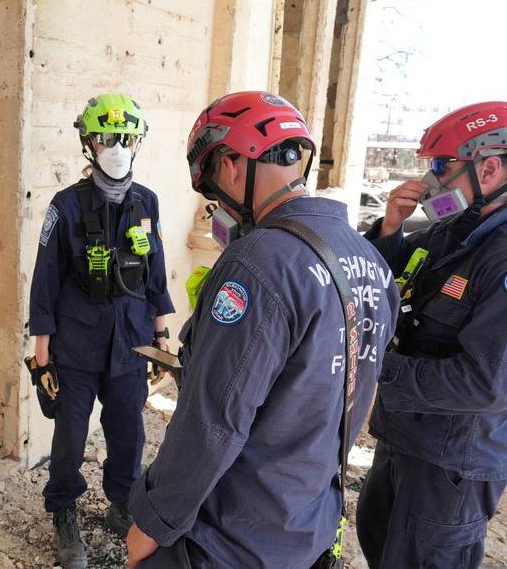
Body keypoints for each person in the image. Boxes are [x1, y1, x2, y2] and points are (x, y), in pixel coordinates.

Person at [126, 91, 399, 568]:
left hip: (230, 537)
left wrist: (152, 522)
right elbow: (357, 394)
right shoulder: (368, 259)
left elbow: (213, 421)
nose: (217, 207)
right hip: (306, 525)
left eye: (212, 189)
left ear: (232, 165)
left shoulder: (257, 264)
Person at [356, 101, 507, 569]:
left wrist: (377, 364)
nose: (429, 183)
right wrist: (389, 228)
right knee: (378, 543)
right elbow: (379, 274)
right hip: (404, 437)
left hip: (452, 467)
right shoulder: (451, 232)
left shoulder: (500, 256)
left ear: (490, 168)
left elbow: (486, 384)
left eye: (442, 167)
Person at [27, 93, 175, 568]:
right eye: (105, 137)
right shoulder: (65, 205)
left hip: (131, 343)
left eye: (125, 138)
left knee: (128, 430)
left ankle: (120, 502)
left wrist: (161, 336)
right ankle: (64, 509)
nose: (116, 147)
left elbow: (155, 270)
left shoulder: (146, 202)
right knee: (70, 434)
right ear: (88, 143)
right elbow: (45, 277)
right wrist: (42, 351)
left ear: (137, 143)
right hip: (76, 343)